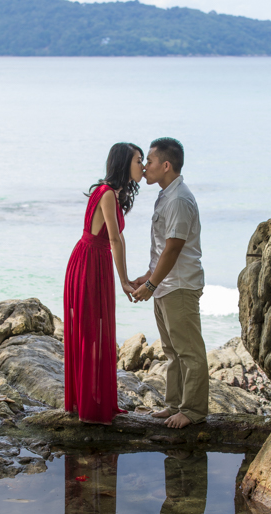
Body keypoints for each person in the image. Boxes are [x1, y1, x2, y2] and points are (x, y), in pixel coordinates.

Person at [64, 143, 144, 424]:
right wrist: (124, 280)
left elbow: (114, 240)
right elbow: (115, 238)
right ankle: (90, 409)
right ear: (124, 163)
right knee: (92, 332)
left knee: (97, 331)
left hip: (92, 259)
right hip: (90, 262)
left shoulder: (110, 192)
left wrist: (122, 276)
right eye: (138, 160)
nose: (143, 166)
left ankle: (93, 402)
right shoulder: (107, 193)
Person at [132, 137, 209, 429]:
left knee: (189, 351)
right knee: (172, 351)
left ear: (166, 165)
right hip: (166, 284)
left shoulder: (178, 198)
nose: (145, 167)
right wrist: (148, 277)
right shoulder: (166, 194)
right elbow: (163, 247)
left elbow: (173, 248)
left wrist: (150, 285)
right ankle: (175, 404)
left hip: (179, 285)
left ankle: (193, 411)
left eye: (149, 161)